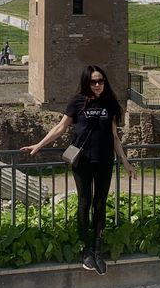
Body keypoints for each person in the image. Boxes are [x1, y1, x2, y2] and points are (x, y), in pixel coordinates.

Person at [21, 65, 136, 275]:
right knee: (85, 202)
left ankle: (98, 249)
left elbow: (114, 136)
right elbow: (60, 127)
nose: (98, 85)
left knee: (100, 204)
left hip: (104, 160)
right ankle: (85, 250)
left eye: (101, 80)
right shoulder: (77, 102)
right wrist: (38, 145)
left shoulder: (109, 103)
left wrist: (125, 161)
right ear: (86, 82)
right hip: (82, 160)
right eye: (93, 81)